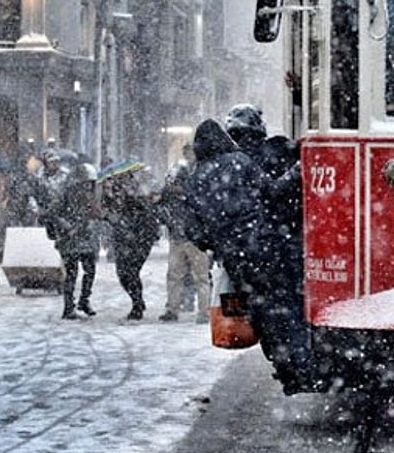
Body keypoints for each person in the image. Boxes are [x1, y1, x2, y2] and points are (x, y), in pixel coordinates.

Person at [186, 117, 311, 393]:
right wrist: (299, 170)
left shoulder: (194, 180)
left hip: (236, 260)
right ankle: (302, 368)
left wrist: (220, 243)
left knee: (263, 313)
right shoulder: (239, 163)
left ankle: (284, 366)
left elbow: (194, 232)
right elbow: (274, 191)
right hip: (266, 248)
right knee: (288, 307)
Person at [157, 145, 211, 324]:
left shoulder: (197, 176)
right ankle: (192, 311)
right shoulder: (199, 176)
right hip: (189, 236)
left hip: (190, 237)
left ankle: (194, 311)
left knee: (191, 277)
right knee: (191, 277)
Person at [102, 165, 160, 320]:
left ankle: (137, 304)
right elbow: (109, 212)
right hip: (123, 237)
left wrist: (128, 201)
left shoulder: (137, 191)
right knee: (122, 272)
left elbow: (143, 212)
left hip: (140, 236)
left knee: (131, 271)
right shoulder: (113, 192)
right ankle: (137, 300)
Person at [46, 163, 100, 320]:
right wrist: (68, 227)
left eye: (90, 183)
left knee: (90, 271)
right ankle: (68, 306)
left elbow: (95, 214)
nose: (88, 186)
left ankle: (84, 300)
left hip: (87, 238)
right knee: (71, 273)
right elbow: (52, 213)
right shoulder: (65, 194)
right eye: (86, 182)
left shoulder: (91, 196)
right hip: (70, 240)